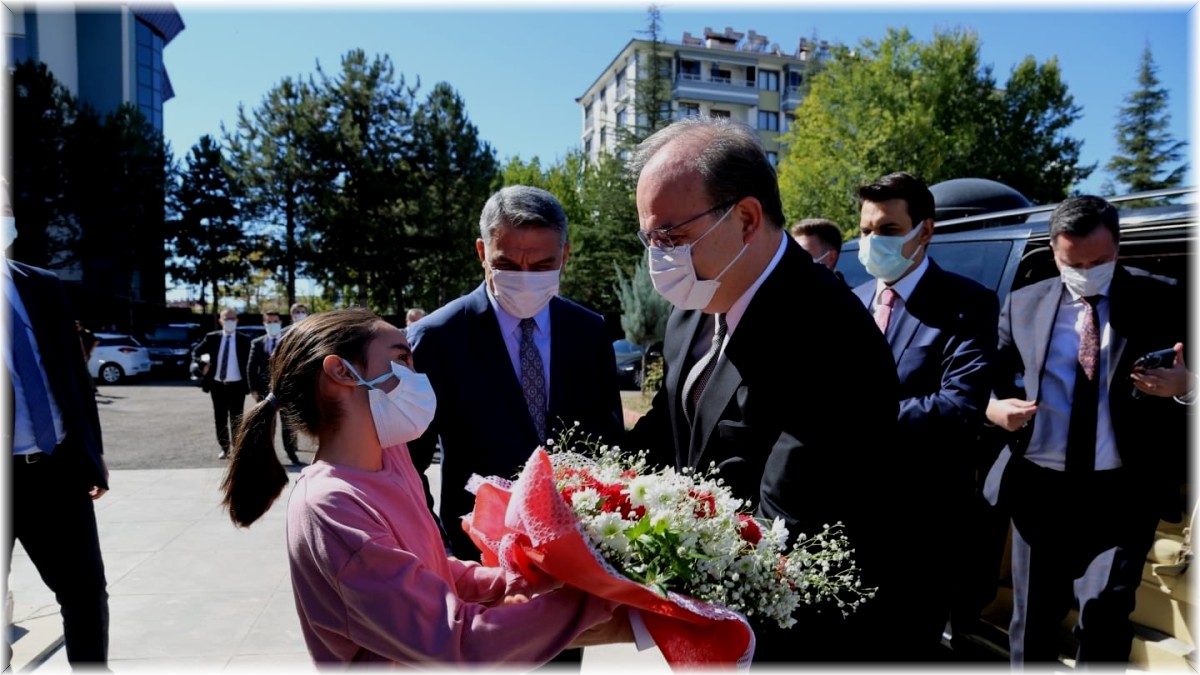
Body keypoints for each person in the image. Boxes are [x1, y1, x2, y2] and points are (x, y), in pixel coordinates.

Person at [622, 116, 901, 664]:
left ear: (746, 218)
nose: (659, 258)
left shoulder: (829, 332)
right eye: (649, 239)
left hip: (788, 633)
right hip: (705, 617)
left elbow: (789, 524)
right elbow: (667, 431)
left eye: (671, 237)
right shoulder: (693, 306)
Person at [218, 307, 629, 664]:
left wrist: (524, 577)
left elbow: (430, 570)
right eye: (401, 359)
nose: (416, 376)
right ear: (341, 372)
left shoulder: (392, 458)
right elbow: (455, 642)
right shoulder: (330, 506)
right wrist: (600, 597)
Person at [406, 186, 624, 669]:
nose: (525, 277)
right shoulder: (437, 338)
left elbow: (608, 442)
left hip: (568, 562)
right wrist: (435, 553)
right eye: (508, 264)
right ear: (482, 252)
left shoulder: (588, 331)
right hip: (476, 566)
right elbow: (407, 464)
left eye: (542, 264)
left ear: (565, 255)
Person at [981, 195, 1192, 667]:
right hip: (1039, 487)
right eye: (1072, 263)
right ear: (1054, 253)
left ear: (1118, 247)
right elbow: (983, 379)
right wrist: (995, 409)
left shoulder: (1163, 297)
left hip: (1122, 492)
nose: (1085, 272)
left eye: (1098, 262)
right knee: (1033, 618)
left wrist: (1186, 386)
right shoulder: (1023, 304)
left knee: (1104, 615)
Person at [851, 171, 999, 660]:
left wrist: (855, 417)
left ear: (925, 231)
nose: (873, 241)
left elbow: (960, 407)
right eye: (866, 230)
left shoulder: (967, 304)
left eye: (888, 230)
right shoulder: (849, 302)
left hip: (920, 533)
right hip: (845, 523)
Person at [2, 179, 110, 668]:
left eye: (4, 206)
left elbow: (72, 377)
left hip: (57, 468)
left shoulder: (41, 285)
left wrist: (92, 455)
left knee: (85, 591)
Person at [192, 308, 252, 459]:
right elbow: (195, 352)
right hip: (217, 385)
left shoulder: (245, 340)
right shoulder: (212, 338)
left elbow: (252, 362)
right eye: (226, 319)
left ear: (237, 321)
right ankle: (224, 448)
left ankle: (237, 449)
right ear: (220, 321)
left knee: (237, 419)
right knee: (220, 418)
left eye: (232, 319)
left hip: (237, 385)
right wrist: (202, 365)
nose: (229, 321)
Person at [247, 309, 301, 465]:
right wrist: (253, 389)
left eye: (275, 322)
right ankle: (267, 456)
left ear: (280, 322)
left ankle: (291, 454)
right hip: (264, 391)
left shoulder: (289, 340)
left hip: (287, 390)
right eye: (269, 322)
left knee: (288, 425)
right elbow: (251, 368)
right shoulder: (257, 343)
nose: (272, 324)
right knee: (267, 425)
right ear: (264, 323)